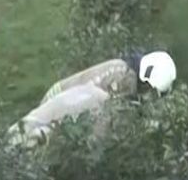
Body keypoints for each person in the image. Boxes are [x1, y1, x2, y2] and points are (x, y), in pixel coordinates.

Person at [11, 50, 177, 145]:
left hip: (71, 99)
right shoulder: (125, 79)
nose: (149, 93)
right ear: (146, 79)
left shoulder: (125, 71)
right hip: (63, 99)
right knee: (38, 138)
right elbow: (111, 117)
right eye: (150, 89)